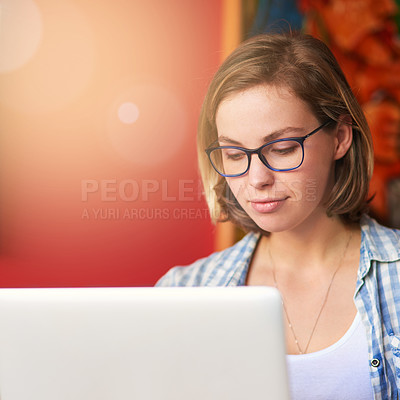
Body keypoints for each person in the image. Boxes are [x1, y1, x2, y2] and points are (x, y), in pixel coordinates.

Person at [156, 31, 400, 399]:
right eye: (235, 155)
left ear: (340, 138)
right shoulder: (183, 293)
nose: (257, 179)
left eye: (283, 148)